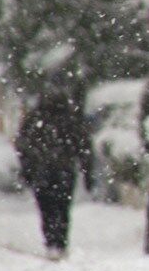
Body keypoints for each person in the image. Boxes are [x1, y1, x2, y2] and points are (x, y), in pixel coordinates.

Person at [15, 81, 93, 260]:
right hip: (64, 172)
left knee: (47, 208)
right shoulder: (70, 119)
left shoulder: (35, 119)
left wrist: (27, 169)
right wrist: (86, 171)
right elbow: (84, 146)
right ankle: (60, 241)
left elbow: (23, 146)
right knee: (62, 207)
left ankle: (51, 241)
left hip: (43, 172)